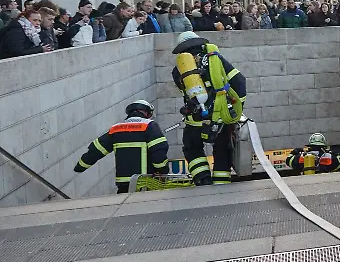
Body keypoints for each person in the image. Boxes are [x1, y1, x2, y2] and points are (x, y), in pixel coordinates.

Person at [171, 31, 247, 186]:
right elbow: (239, 81)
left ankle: (203, 180)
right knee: (222, 150)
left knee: (192, 148)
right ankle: (221, 184)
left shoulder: (178, 69)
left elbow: (187, 94)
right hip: (220, 118)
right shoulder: (215, 59)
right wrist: (236, 108)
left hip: (195, 121)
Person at [73, 100, 169, 193]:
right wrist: (163, 171)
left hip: (123, 184)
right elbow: (159, 151)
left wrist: (80, 167)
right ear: (147, 113)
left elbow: (96, 150)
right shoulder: (150, 126)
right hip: (146, 181)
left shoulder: (116, 129)